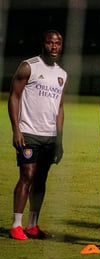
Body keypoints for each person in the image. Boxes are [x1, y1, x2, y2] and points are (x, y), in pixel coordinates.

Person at [8, 30, 67, 240]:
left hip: (49, 137)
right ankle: (16, 225)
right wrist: (16, 129)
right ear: (43, 44)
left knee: (41, 179)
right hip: (29, 133)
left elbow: (59, 108)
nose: (54, 47)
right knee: (27, 176)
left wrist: (59, 140)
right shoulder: (28, 66)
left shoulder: (62, 74)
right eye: (50, 43)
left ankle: (32, 225)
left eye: (58, 43)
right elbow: (14, 97)